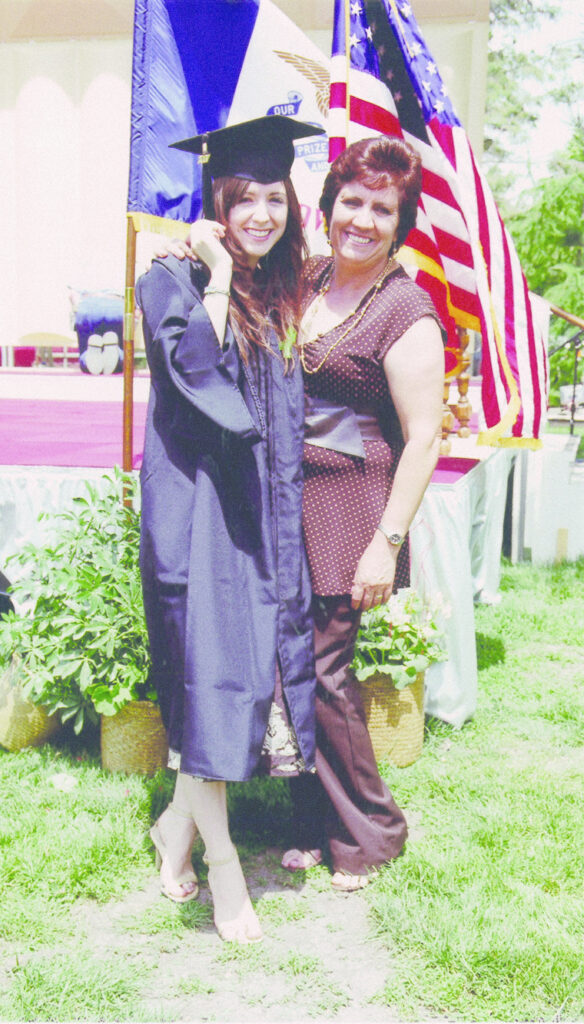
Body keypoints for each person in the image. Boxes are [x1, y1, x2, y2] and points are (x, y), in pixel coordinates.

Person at [136, 116, 324, 942]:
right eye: (244, 198)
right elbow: (194, 375)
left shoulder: (282, 287)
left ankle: (175, 829)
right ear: (217, 198)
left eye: (274, 198)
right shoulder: (172, 275)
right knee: (212, 680)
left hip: (259, 510)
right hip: (200, 508)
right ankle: (221, 868)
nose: (261, 213)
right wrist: (214, 273)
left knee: (244, 677)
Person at [282, 135, 444, 891]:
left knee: (324, 673)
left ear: (400, 220)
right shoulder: (307, 277)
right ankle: (315, 824)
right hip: (286, 501)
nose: (364, 219)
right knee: (290, 670)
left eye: (383, 208)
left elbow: (423, 439)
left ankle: (374, 831)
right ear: (328, 205)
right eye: (353, 200)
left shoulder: (405, 309)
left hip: (352, 508)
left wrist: (386, 542)